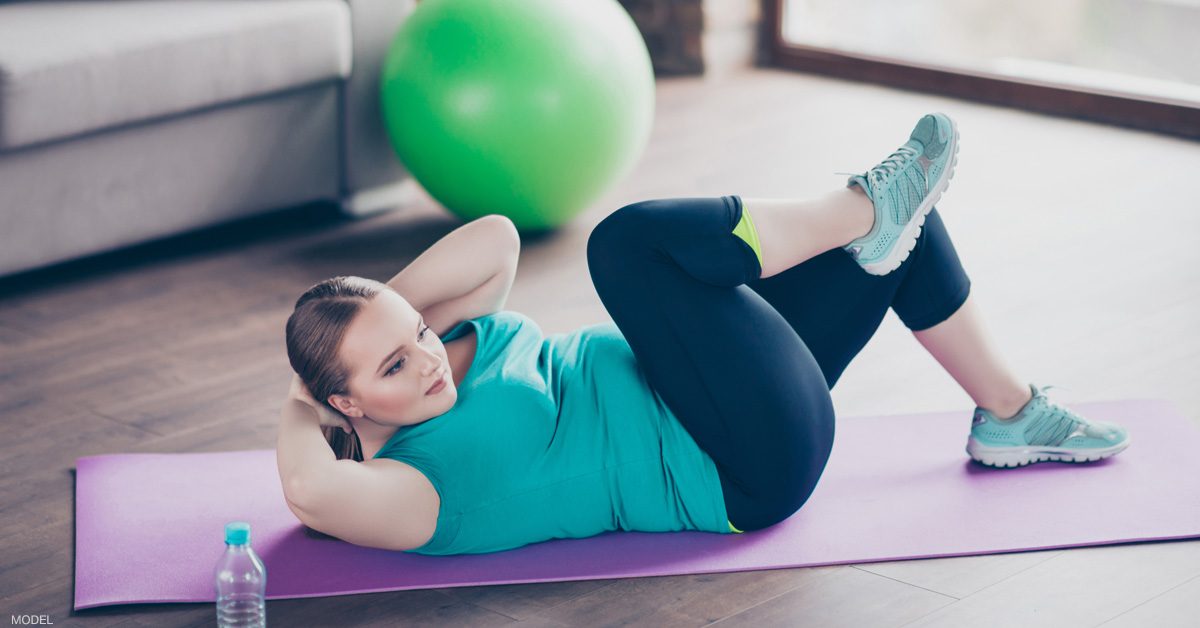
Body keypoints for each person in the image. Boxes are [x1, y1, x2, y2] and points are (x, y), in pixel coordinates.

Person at [276, 112, 1131, 556]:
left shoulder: (446, 356)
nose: (427, 356)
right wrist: (301, 391)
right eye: (394, 363)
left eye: (418, 333)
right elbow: (311, 494)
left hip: (713, 382)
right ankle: (866, 203)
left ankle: (1008, 411)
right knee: (624, 246)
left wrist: (368, 313)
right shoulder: (412, 488)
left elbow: (495, 237)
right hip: (739, 465)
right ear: (344, 399)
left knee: (899, 239)